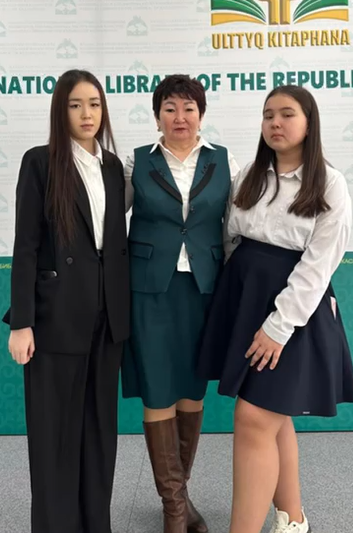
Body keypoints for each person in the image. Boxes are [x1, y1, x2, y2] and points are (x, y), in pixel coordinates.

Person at [198, 85, 353, 533]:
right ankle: (293, 519)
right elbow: (231, 238)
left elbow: (318, 265)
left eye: (287, 114)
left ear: (309, 122)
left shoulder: (330, 183)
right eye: (268, 114)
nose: (275, 123)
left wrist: (278, 325)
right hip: (244, 300)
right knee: (273, 413)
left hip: (294, 311)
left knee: (253, 417)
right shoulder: (249, 175)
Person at [2, 69, 130, 533]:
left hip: (107, 317)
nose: (87, 113)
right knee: (54, 436)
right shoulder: (40, 162)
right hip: (55, 317)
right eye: (76, 105)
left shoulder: (112, 167)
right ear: (61, 110)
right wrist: (22, 322)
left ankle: (96, 524)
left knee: (100, 433)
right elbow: (25, 246)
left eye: (94, 104)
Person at [122, 74, 239, 533]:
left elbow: (239, 224)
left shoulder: (225, 162)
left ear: (201, 115)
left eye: (189, 108)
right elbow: (105, 218)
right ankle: (175, 510)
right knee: (157, 390)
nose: (180, 117)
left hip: (205, 290)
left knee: (192, 390)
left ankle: (179, 497)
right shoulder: (137, 163)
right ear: (157, 117)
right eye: (169, 108)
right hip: (150, 291)